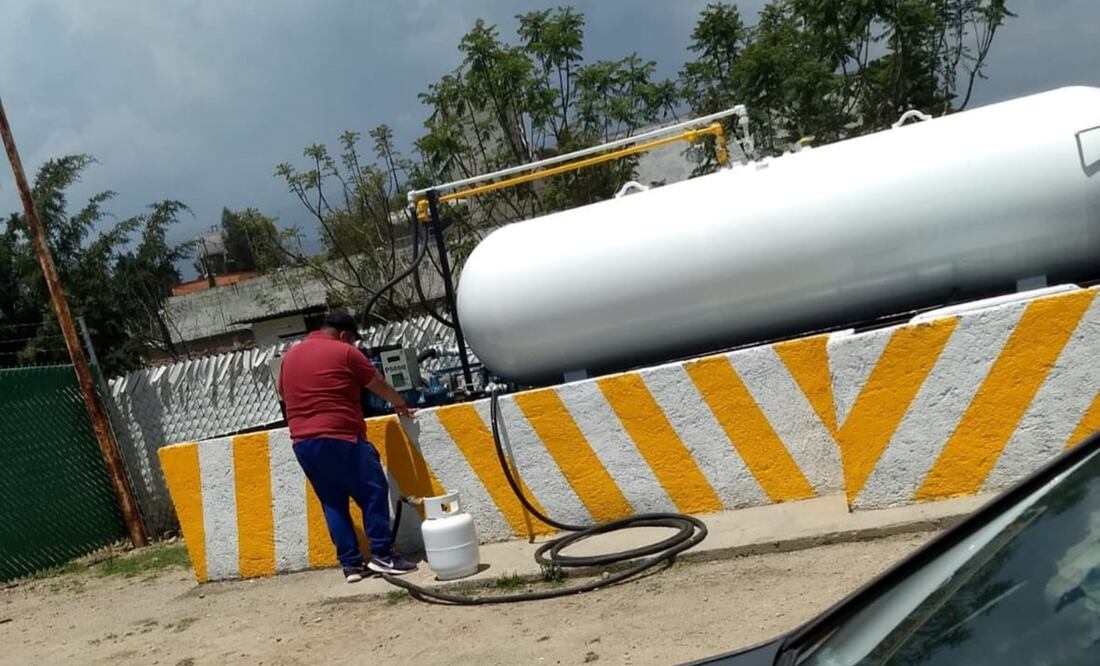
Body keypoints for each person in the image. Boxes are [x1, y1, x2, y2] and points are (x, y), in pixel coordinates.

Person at [278, 311, 418, 582]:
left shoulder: (290, 357)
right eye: (353, 340)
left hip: (303, 443)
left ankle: (351, 565)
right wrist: (400, 403)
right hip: (341, 437)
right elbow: (376, 382)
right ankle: (383, 555)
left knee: (332, 501)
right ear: (344, 335)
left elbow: (283, 392)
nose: (354, 345)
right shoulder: (345, 352)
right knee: (373, 492)